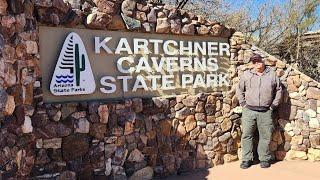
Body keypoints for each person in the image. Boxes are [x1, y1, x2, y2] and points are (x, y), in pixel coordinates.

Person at [236, 54, 283, 169]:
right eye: (254, 62)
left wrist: (273, 106)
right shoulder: (247, 75)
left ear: (263, 62)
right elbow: (239, 89)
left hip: (266, 111)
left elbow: (279, 90)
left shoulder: (272, 75)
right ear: (252, 64)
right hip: (249, 111)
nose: (257, 63)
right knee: (247, 135)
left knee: (265, 136)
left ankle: (264, 159)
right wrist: (243, 104)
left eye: (259, 61)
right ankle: (247, 159)